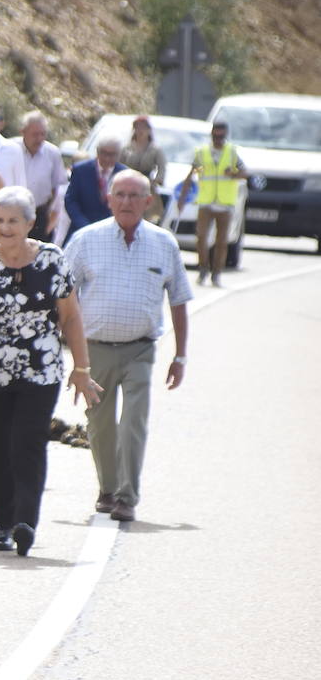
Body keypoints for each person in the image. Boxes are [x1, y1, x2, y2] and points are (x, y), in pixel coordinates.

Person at [0, 186, 101, 557]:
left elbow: (71, 317)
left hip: (40, 370)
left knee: (27, 443)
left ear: (30, 222)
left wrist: (81, 368)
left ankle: (25, 521)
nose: (5, 227)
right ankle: (2, 523)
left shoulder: (51, 260)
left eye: (13, 220)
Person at [64, 171, 191, 523]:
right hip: (94, 349)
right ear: (108, 199)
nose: (126, 202)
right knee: (100, 423)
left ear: (148, 202)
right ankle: (107, 488)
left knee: (134, 420)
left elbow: (179, 299)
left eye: (135, 195)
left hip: (140, 349)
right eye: (119, 194)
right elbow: (61, 293)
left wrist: (180, 356)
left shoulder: (164, 244)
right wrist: (70, 356)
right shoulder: (86, 240)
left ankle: (127, 496)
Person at [179, 120, 246, 287]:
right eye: (215, 135)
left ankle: (216, 273)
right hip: (206, 202)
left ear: (225, 135)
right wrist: (182, 198)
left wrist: (233, 174)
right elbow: (193, 173)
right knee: (201, 237)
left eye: (221, 135)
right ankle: (203, 268)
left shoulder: (232, 153)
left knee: (221, 241)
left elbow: (244, 173)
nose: (218, 138)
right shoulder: (203, 153)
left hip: (225, 203)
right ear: (211, 134)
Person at [12, 111, 67, 242]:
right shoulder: (11, 149)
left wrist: (52, 217)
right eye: (35, 134)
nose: (39, 139)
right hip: (11, 211)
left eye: (43, 134)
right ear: (23, 131)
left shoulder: (52, 153)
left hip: (39, 213)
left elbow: (59, 186)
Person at [64, 135, 127, 240]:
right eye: (104, 153)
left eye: (112, 155)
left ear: (118, 155)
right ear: (97, 152)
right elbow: (71, 200)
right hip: (81, 231)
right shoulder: (81, 170)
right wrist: (84, 225)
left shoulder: (125, 174)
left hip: (111, 234)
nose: (107, 158)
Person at [120, 115, 167, 222]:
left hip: (147, 184)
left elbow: (162, 167)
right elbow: (118, 165)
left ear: (149, 130)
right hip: (128, 182)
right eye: (137, 127)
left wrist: (157, 180)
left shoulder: (155, 149)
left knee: (150, 214)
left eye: (144, 128)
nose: (140, 131)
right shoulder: (126, 148)